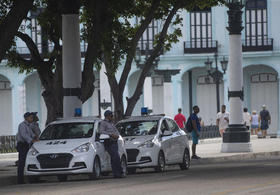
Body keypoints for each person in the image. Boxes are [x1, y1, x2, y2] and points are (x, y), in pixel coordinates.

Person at [99, 110, 123, 178]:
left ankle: (116, 174)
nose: (112, 117)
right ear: (107, 116)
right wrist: (111, 135)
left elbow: (116, 131)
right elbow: (101, 131)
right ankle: (120, 172)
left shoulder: (111, 123)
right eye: (111, 115)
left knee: (114, 158)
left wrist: (117, 135)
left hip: (115, 142)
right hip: (109, 142)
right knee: (116, 157)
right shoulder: (103, 123)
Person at [16, 112, 38, 184]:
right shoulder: (22, 125)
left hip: (27, 145)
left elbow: (32, 134)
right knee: (22, 163)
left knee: (29, 161)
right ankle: (20, 180)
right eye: (31, 117)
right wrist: (32, 140)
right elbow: (24, 135)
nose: (32, 119)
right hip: (22, 145)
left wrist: (35, 137)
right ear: (26, 118)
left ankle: (32, 179)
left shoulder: (28, 125)